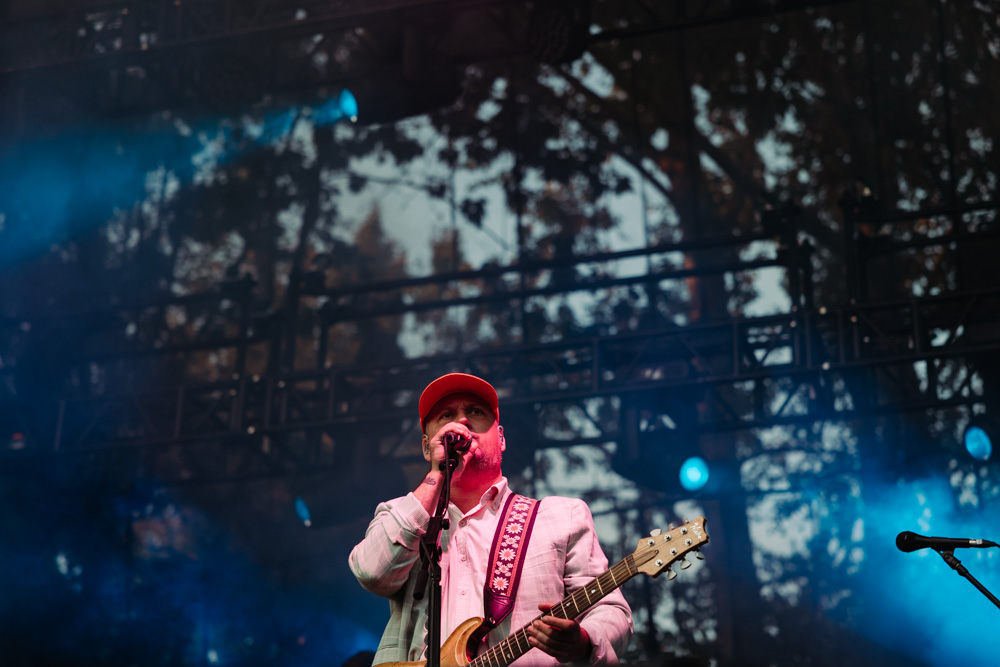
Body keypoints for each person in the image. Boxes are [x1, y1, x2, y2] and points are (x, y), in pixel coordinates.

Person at [349, 373, 633, 666]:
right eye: (447, 416)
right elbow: (373, 573)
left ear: (500, 437)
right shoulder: (401, 514)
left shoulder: (562, 516)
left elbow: (611, 610)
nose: (462, 422)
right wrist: (437, 474)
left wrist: (584, 641)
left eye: (475, 412)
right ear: (425, 447)